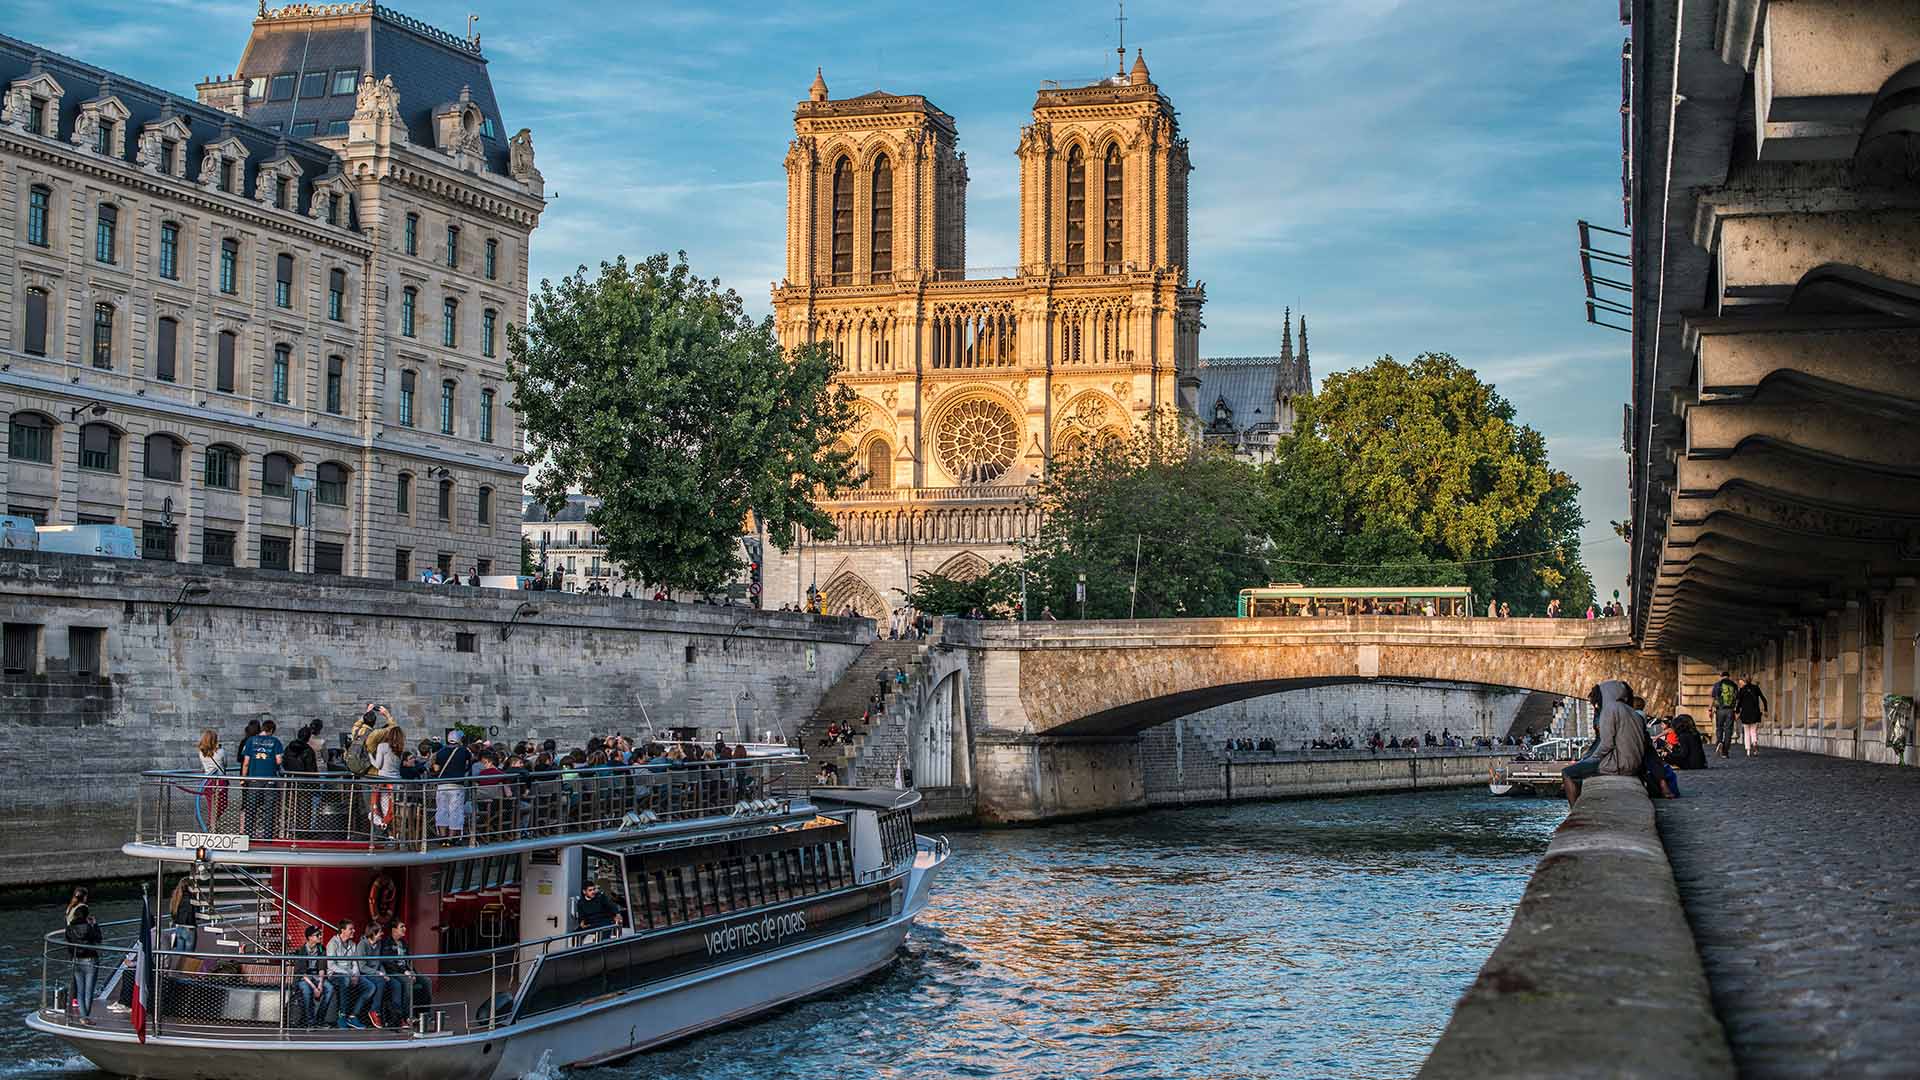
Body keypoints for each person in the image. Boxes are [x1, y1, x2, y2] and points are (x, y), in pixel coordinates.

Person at [1560, 681, 1646, 807]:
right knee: (1583, 768)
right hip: (1634, 764)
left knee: (1567, 773)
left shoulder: (1610, 709)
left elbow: (1607, 743)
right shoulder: (1632, 711)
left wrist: (1591, 759)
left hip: (1618, 765)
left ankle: (1574, 808)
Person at [240, 718, 285, 838]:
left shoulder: (250, 740)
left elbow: (246, 762)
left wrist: (243, 778)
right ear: (271, 730)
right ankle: (268, 836)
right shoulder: (275, 741)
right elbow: (279, 760)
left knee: (251, 808)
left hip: (254, 779)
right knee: (269, 809)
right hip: (270, 779)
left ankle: (248, 835)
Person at [381, 921, 432, 1024]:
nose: (405, 929)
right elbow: (388, 963)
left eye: (404, 926)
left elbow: (409, 960)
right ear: (394, 930)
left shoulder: (403, 943)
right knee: (408, 982)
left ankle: (425, 1014)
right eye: (402, 927)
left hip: (407, 971)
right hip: (393, 972)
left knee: (427, 981)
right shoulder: (386, 943)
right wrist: (405, 972)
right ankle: (407, 1016)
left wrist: (412, 971)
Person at [326, 921, 374, 1029]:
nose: (354, 931)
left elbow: (355, 963)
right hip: (335, 975)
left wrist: (356, 975)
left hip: (350, 974)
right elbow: (331, 965)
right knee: (345, 980)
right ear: (342, 930)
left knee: (370, 987)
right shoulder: (332, 943)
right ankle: (342, 1016)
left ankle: (353, 1016)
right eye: (351, 929)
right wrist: (348, 974)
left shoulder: (353, 944)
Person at [64, 888, 101, 1024]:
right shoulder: (88, 926)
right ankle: (85, 1018)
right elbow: (98, 938)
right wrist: (95, 924)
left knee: (80, 990)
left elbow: (68, 940)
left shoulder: (69, 925)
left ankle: (83, 1017)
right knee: (89, 991)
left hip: (75, 958)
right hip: (90, 958)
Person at [431, 731, 474, 838]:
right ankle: (451, 837)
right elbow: (470, 763)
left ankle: (442, 836)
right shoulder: (464, 751)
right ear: (459, 739)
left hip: (442, 785)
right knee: (456, 811)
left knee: (441, 810)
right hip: (456, 785)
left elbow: (436, 769)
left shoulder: (440, 752)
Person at [292, 925, 333, 1027]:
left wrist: (320, 985)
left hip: (316, 976)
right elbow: (302, 972)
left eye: (320, 934)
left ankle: (320, 1019)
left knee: (330, 988)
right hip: (304, 978)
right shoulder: (301, 950)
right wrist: (314, 988)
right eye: (317, 935)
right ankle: (310, 1022)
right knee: (307, 991)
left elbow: (322, 968)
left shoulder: (321, 948)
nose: (320, 936)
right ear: (310, 937)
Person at [358, 923, 392, 1027]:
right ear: (373, 933)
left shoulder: (379, 943)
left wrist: (384, 974)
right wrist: (379, 974)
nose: (382, 933)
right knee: (381, 982)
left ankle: (396, 1016)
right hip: (365, 974)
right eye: (380, 931)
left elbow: (379, 962)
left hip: (377, 973)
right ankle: (374, 1011)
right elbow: (362, 967)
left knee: (393, 983)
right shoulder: (362, 945)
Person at [196, 728, 229, 830]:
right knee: (223, 804)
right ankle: (212, 825)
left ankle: (211, 824)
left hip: (207, 782)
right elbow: (225, 764)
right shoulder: (221, 752)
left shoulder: (201, 753)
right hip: (220, 781)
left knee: (212, 806)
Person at [1736, 677, 1768, 757]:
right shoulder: (1756, 688)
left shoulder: (1742, 690)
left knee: (1746, 732)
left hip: (1745, 714)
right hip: (1755, 713)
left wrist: (1736, 712)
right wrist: (1765, 710)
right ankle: (1754, 742)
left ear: (1744, 681)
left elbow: (1739, 702)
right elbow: (1764, 699)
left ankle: (1748, 751)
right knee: (1753, 731)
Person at [1709, 671, 1739, 759]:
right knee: (1729, 730)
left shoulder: (1717, 684)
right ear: (1729, 676)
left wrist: (1710, 709)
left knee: (1719, 727)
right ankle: (1725, 752)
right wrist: (1737, 712)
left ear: (1721, 676)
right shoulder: (1734, 685)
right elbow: (1737, 699)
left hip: (1720, 710)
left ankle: (1719, 742)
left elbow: (1713, 698)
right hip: (1730, 710)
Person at [167, 878, 198, 952]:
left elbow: (173, 912)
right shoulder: (192, 898)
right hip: (189, 928)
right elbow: (195, 912)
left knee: (180, 955)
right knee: (189, 956)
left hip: (179, 928)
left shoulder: (176, 896)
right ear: (190, 887)